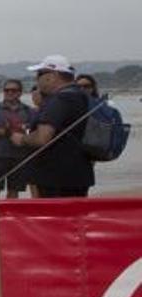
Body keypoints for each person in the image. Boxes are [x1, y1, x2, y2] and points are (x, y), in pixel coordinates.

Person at [12, 55, 93, 198]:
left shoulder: (59, 99)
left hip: (56, 177)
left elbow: (42, 138)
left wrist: (21, 139)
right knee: (74, 218)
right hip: (79, 173)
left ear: (53, 75)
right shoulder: (82, 95)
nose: (37, 79)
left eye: (39, 74)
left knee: (57, 219)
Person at [0, 79, 36, 201]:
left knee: (14, 190)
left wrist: (25, 134)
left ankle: (9, 217)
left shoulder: (29, 111)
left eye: (13, 90)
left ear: (20, 92)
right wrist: (7, 132)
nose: (10, 93)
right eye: (7, 90)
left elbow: (34, 131)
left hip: (19, 155)